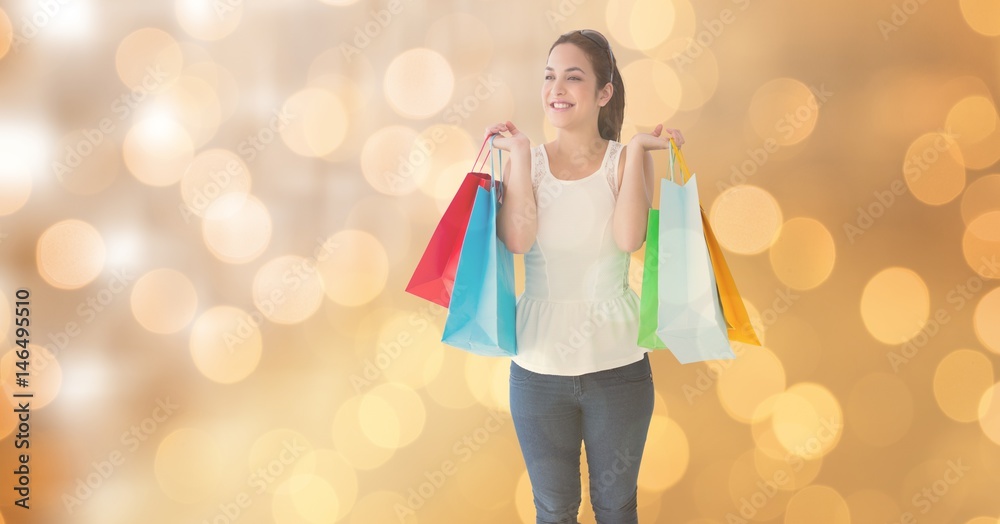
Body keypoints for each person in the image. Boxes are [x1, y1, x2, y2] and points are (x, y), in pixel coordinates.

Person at [484, 29, 685, 524]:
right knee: (553, 510)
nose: (557, 88)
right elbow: (517, 241)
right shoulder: (527, 163)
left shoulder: (624, 162)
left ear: (604, 92)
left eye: (574, 78)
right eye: (550, 77)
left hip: (618, 370)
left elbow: (628, 239)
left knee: (616, 509)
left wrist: (636, 149)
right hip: (537, 371)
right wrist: (521, 155)